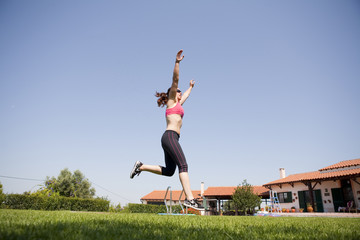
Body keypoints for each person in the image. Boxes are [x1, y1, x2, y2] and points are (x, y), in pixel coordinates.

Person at [130, 50, 203, 210]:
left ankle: (141, 166)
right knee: (183, 166)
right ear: (173, 93)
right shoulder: (171, 101)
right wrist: (177, 62)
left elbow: (186, 96)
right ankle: (190, 199)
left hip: (172, 139)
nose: (180, 92)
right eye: (179, 91)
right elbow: (175, 79)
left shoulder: (178, 104)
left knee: (170, 171)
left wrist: (191, 88)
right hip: (169, 136)